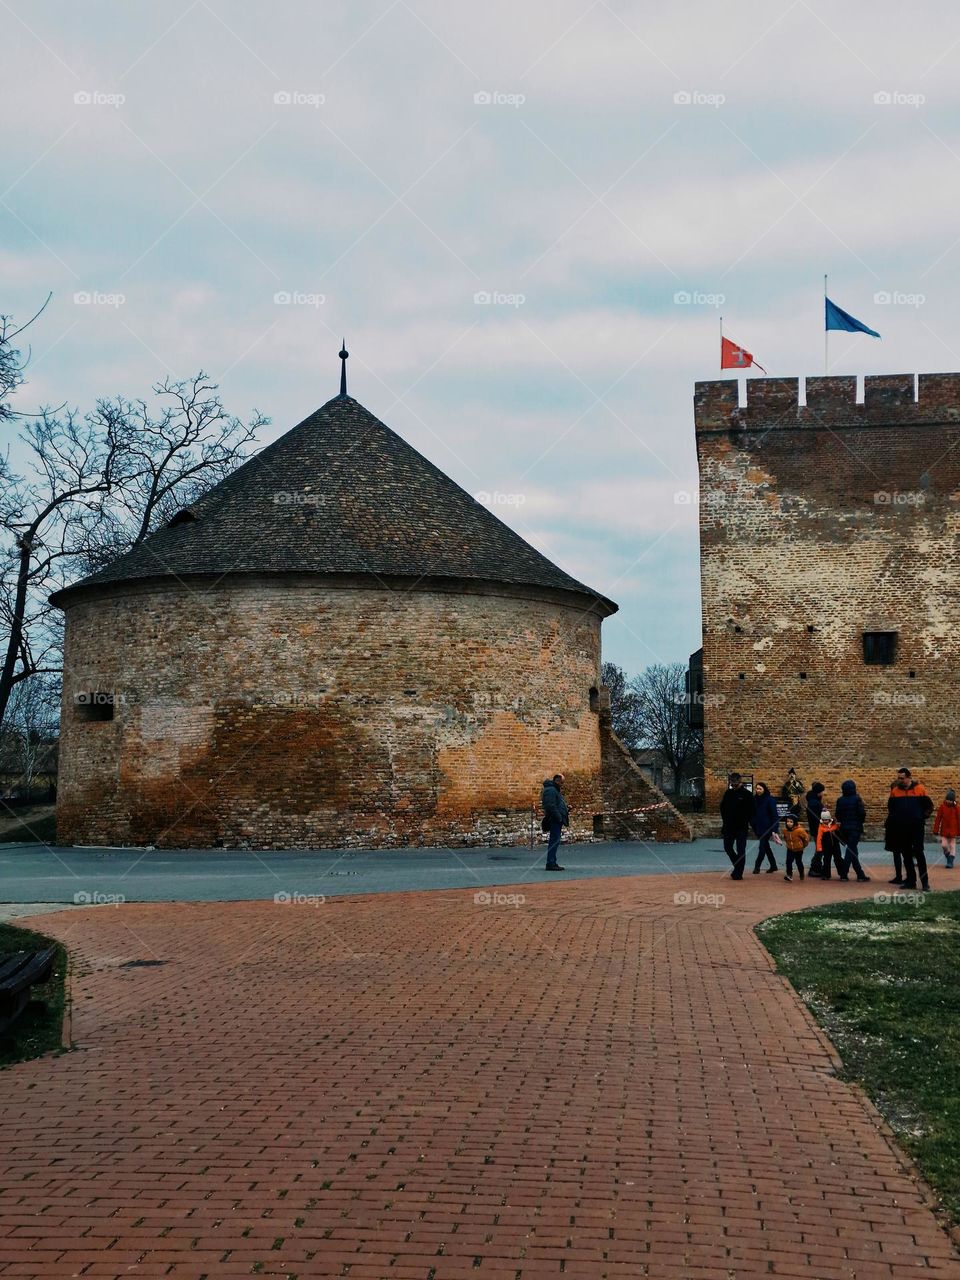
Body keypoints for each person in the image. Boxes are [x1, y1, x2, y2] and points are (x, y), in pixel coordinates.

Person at [886, 767, 934, 891]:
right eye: (898, 778)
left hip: (917, 827)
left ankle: (925, 882)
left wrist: (922, 816)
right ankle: (911, 881)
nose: (900, 780)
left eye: (902, 778)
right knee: (906, 855)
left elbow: (929, 806)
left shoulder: (920, 789)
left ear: (908, 778)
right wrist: (896, 820)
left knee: (919, 853)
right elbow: (891, 808)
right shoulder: (895, 791)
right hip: (902, 828)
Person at [834, 779, 870, 882]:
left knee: (852, 850)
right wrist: (859, 822)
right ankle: (844, 873)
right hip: (855, 828)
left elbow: (838, 814)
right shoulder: (857, 799)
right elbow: (862, 813)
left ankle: (860, 874)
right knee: (850, 851)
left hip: (844, 828)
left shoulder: (840, 800)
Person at [720, 772, 753, 880]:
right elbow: (722, 808)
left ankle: (739, 872)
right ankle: (738, 866)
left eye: (736, 784)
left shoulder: (747, 794)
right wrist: (725, 821)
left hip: (741, 827)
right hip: (729, 826)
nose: (734, 786)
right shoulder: (728, 793)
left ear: (740, 782)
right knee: (727, 847)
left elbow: (752, 811)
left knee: (741, 850)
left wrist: (747, 821)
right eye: (732, 784)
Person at [751, 782, 781, 873]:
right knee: (766, 846)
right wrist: (753, 823)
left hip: (767, 828)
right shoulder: (754, 800)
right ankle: (773, 865)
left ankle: (757, 867)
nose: (758, 790)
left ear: (764, 789)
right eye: (757, 789)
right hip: (758, 827)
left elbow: (775, 816)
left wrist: (774, 829)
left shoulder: (770, 800)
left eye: (760, 789)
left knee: (762, 847)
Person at [541, 773, 569, 871]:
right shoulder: (551, 790)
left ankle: (552, 862)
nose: (562, 785)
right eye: (561, 782)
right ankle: (551, 862)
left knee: (555, 840)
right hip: (554, 819)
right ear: (557, 781)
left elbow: (555, 804)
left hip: (556, 818)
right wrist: (559, 817)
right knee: (554, 840)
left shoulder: (553, 790)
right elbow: (550, 806)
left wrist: (566, 809)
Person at [811, 809, 845, 879]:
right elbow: (819, 838)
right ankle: (826, 874)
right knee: (826, 860)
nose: (825, 821)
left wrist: (843, 841)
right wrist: (819, 848)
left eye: (826, 819)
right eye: (823, 820)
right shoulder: (821, 827)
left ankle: (842, 873)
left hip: (835, 846)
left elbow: (839, 834)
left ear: (829, 819)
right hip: (826, 847)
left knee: (838, 859)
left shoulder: (835, 825)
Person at [933, 789, 959, 868]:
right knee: (944, 845)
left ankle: (950, 861)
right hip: (944, 830)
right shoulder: (942, 807)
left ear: (953, 800)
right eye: (947, 799)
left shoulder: (956, 808)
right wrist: (936, 829)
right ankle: (947, 855)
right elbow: (938, 819)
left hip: (953, 830)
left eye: (950, 800)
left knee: (952, 846)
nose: (949, 801)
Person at [782, 814, 810, 881]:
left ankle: (801, 873)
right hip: (790, 849)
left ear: (794, 822)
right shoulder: (785, 830)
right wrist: (788, 845)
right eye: (787, 821)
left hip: (799, 849)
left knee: (798, 862)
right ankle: (789, 875)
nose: (789, 823)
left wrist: (803, 846)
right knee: (788, 862)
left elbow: (806, 839)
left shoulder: (800, 830)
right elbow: (786, 838)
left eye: (791, 822)